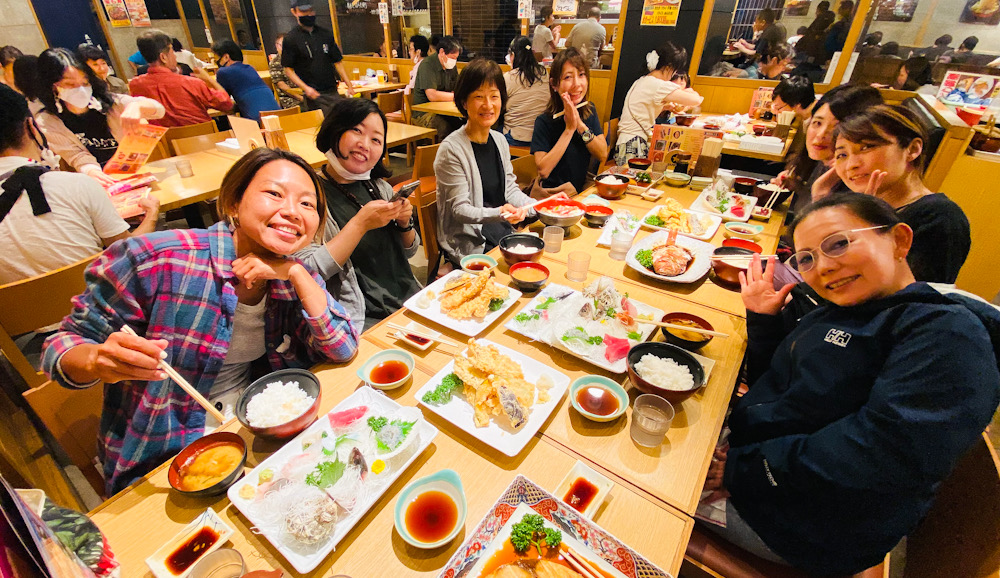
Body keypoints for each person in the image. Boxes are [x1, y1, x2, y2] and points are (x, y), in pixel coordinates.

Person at [703, 193, 1000, 575]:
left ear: (900, 240)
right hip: (763, 463)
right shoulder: (850, 310)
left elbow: (879, 457)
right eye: (807, 258)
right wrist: (763, 321)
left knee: (632, 476)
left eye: (839, 243)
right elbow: (782, 390)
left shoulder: (947, 336)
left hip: (799, 524)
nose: (824, 267)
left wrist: (742, 471)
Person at [41, 147, 360, 495]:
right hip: (165, 457)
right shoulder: (158, 260)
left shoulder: (289, 273)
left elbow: (342, 347)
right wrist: (96, 359)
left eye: (307, 205)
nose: (291, 212)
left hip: (257, 432)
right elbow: (61, 346)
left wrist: (296, 271)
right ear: (234, 203)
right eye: (274, 193)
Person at [0, 84, 159, 286]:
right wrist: (152, 215)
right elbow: (127, 252)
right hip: (100, 309)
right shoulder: (75, 185)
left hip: (20, 317)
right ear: (31, 127)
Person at [296, 98, 420, 331]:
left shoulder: (378, 187)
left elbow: (410, 251)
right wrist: (360, 225)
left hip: (408, 300)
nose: (365, 144)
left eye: (376, 139)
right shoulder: (309, 195)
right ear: (335, 130)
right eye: (356, 131)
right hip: (362, 317)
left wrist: (405, 223)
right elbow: (306, 270)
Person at [830, 105, 970, 283]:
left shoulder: (940, 217)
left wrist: (867, 229)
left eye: (866, 147)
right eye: (842, 154)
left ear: (912, 150)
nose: (851, 165)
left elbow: (912, 298)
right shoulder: (863, 206)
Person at [435, 59, 547, 266]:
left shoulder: (500, 140)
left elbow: (510, 191)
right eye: (479, 97)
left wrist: (544, 206)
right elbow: (460, 210)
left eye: (494, 96)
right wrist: (502, 213)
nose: (488, 105)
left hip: (500, 231)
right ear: (464, 102)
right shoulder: (451, 149)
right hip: (470, 242)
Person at [34, 48, 166, 186]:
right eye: (70, 84)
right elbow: (75, 155)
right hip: (98, 182)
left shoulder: (110, 102)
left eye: (85, 83)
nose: (80, 89)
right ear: (51, 87)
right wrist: (92, 171)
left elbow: (158, 109)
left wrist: (138, 107)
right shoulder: (47, 121)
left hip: (133, 173)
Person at [772, 84, 882, 218]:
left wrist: (821, 194)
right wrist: (797, 186)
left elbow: (822, 236)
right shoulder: (821, 162)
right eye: (817, 123)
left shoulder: (858, 184)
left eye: (837, 128)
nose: (820, 135)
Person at [531, 48, 607, 194]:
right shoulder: (544, 121)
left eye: (581, 75)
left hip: (580, 192)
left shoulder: (588, 111)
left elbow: (602, 154)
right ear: (554, 84)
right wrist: (569, 129)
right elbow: (543, 171)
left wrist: (580, 125)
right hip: (554, 195)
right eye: (568, 77)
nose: (577, 84)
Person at [616, 43, 703, 165]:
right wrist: (689, 91)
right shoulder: (657, 85)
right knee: (634, 180)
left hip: (626, 141)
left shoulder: (643, 80)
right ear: (669, 67)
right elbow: (696, 100)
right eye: (675, 70)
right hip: (634, 142)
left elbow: (644, 106)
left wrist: (665, 106)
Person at [128, 30, 233, 128]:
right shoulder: (191, 83)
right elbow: (226, 105)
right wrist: (208, 79)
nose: (174, 56)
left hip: (165, 144)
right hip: (203, 140)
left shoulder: (135, 85)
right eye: (172, 51)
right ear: (163, 57)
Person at [282, 0, 356, 114]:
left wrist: (349, 84)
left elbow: (338, 61)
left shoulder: (325, 34)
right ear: (294, 12)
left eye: (310, 10)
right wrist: (306, 88)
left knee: (340, 121)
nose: (308, 14)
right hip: (312, 94)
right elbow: (288, 70)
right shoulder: (291, 38)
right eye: (303, 11)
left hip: (332, 90)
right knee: (322, 127)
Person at [211, 39, 279, 121]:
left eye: (216, 58)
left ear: (226, 57)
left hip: (258, 121)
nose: (215, 61)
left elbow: (224, 103)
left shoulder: (223, 72)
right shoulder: (250, 68)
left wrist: (207, 79)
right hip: (279, 115)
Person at [502, 36, 550, 147]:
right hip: (541, 136)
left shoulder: (509, 77)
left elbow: (501, 106)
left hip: (516, 137)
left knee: (492, 135)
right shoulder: (543, 73)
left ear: (513, 55)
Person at [412, 36, 463, 139]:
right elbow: (432, 95)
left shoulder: (451, 66)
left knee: (463, 125)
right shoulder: (427, 65)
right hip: (423, 114)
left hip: (442, 110)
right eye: (452, 58)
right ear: (442, 52)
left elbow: (457, 87)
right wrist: (457, 96)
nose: (454, 61)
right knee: (445, 127)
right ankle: (441, 154)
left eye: (456, 58)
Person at [269, 33, 304, 109]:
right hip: (290, 99)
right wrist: (299, 97)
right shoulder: (275, 63)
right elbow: (281, 85)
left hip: (304, 93)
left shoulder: (297, 58)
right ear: (277, 46)